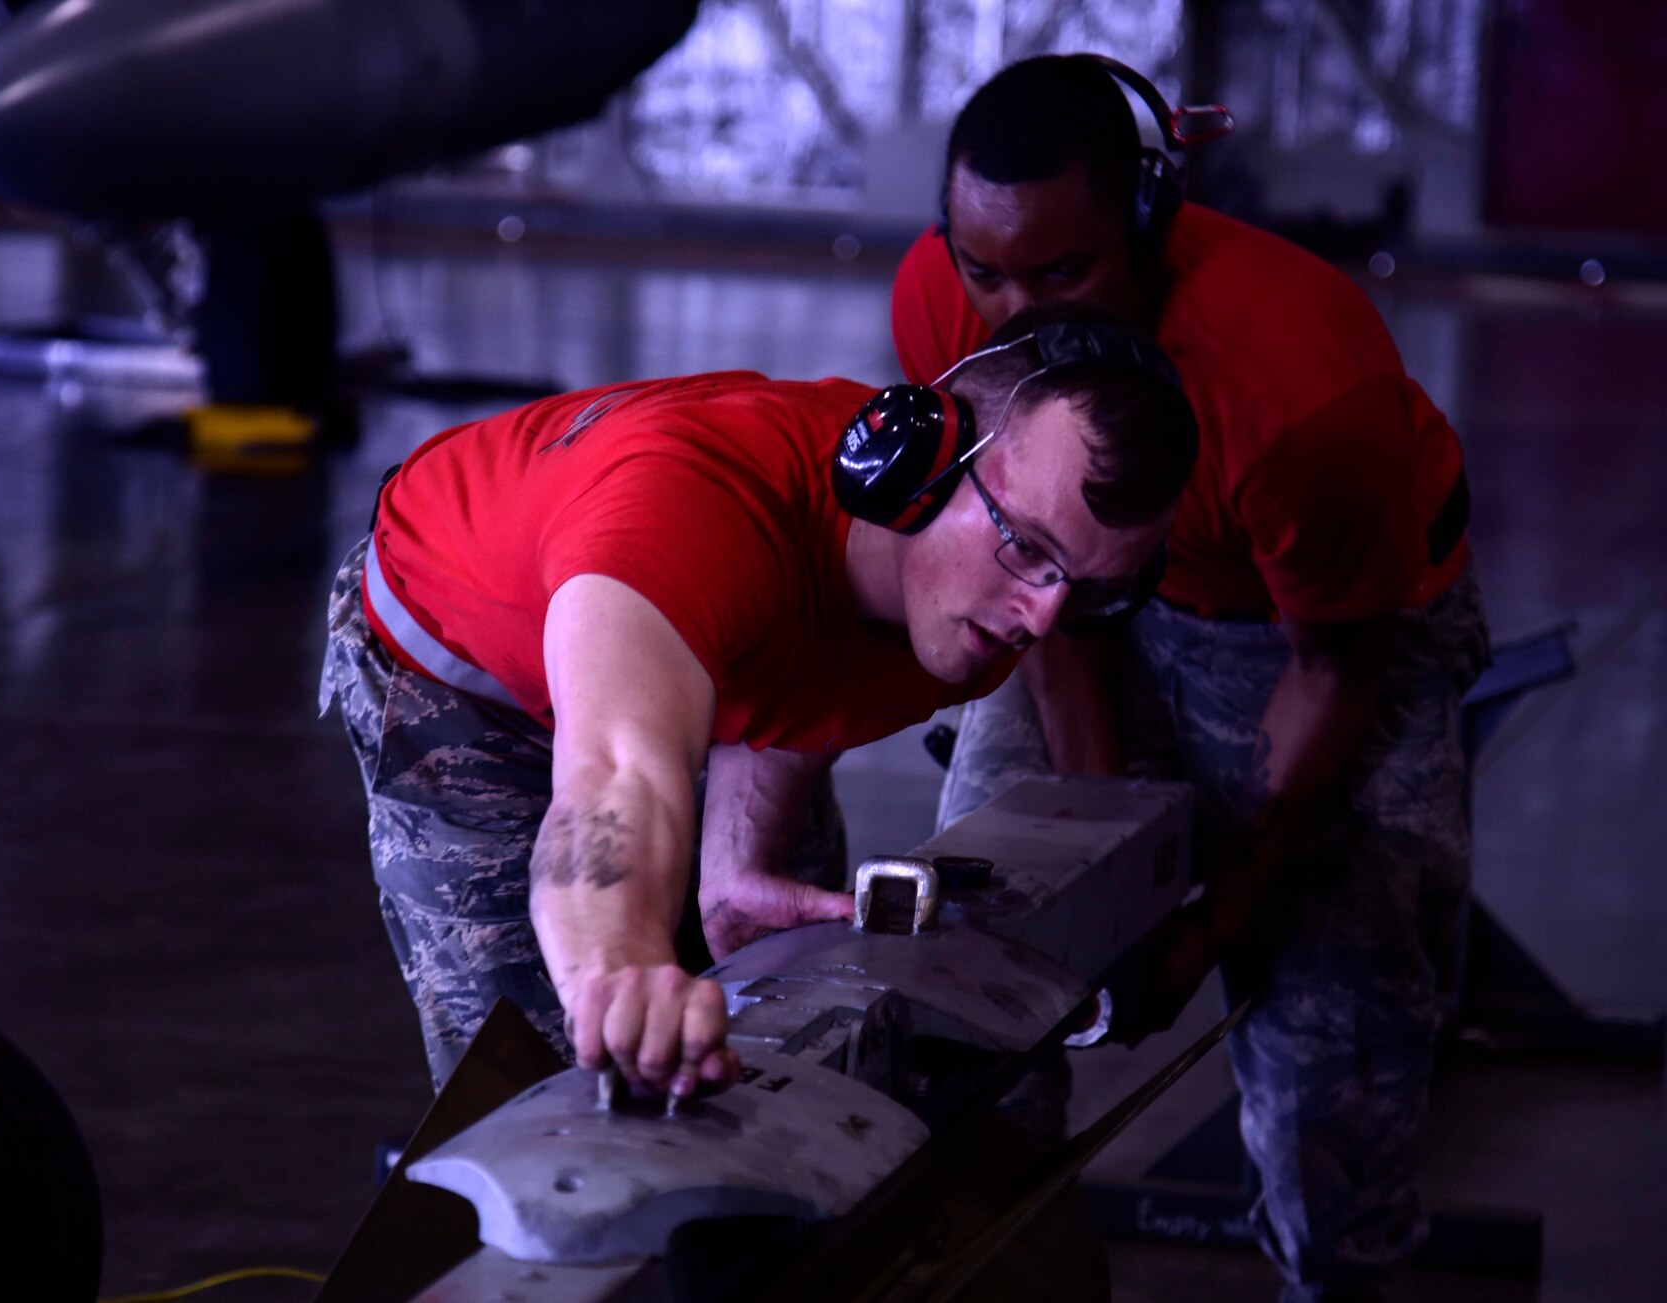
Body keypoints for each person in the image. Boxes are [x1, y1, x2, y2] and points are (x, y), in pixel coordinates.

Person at [894, 55, 1492, 1301]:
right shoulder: (945, 309)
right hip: (1096, 596)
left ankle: (1336, 1271)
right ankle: (1013, 1269)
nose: (1013, 316)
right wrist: (1111, 868)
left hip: (1315, 637)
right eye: (985, 270)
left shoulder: (1295, 383)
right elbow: (1044, 592)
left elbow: (1333, 666)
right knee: (976, 961)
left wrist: (1209, 919)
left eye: (1063, 272)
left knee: (1332, 1066)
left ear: (1149, 222)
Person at [319, 302, 1198, 1103]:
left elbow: (817, 669)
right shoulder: (690, 513)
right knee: (555, 1085)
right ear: (913, 470)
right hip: (462, 670)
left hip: (688, 637)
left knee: (796, 1037)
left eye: (1084, 586)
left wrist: (735, 858)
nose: (1044, 616)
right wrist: (618, 968)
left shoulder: (975, 593)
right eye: (1028, 547)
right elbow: (615, 773)